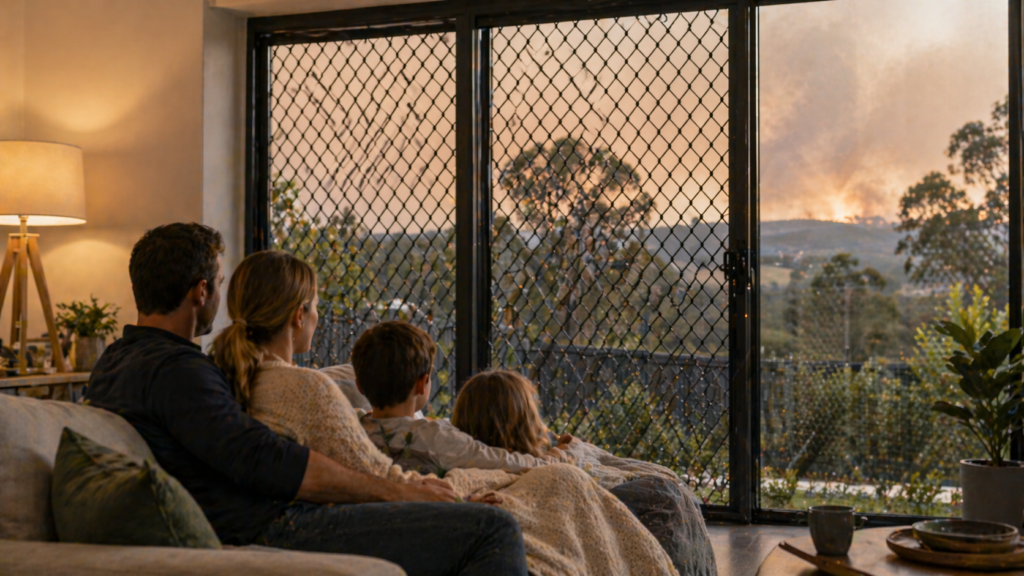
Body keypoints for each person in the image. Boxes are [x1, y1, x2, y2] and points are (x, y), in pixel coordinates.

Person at [84, 223, 527, 576]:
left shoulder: (114, 363)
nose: (219, 298)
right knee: (495, 530)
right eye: (217, 283)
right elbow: (265, 458)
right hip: (272, 527)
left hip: (260, 519)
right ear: (201, 291)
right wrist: (399, 492)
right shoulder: (179, 371)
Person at [215, 250, 679, 576]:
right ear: (298, 315)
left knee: (553, 487)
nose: (317, 318)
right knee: (552, 491)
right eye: (315, 308)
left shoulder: (235, 378)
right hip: (314, 523)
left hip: (294, 517)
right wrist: (448, 503)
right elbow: (372, 472)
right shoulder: (303, 388)